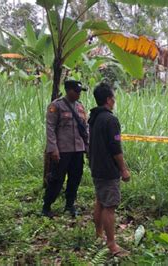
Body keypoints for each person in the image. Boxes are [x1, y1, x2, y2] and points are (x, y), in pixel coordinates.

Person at [88, 82, 131, 256]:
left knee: (100, 200)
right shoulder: (111, 120)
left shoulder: (94, 117)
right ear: (108, 99)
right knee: (110, 206)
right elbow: (115, 148)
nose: (114, 101)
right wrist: (124, 169)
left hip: (96, 166)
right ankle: (112, 245)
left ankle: (99, 235)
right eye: (113, 97)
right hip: (107, 169)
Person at [42, 80, 88, 218]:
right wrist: (53, 149)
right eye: (76, 91)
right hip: (62, 150)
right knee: (56, 179)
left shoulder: (80, 107)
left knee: (75, 178)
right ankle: (47, 206)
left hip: (77, 150)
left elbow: (85, 128)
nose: (79, 94)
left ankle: (70, 205)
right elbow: (50, 128)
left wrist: (87, 146)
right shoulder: (56, 106)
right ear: (68, 90)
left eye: (80, 91)